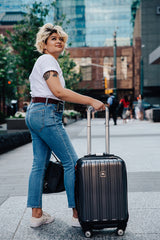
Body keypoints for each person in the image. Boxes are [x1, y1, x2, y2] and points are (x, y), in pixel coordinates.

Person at [25, 23, 105, 229]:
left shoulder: (45, 61)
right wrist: (90, 100)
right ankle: (78, 215)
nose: (59, 41)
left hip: (36, 112)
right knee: (72, 162)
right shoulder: (47, 60)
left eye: (61, 38)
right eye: (53, 38)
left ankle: (36, 215)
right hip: (45, 113)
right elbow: (58, 92)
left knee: (39, 165)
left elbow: (56, 91)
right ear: (44, 44)